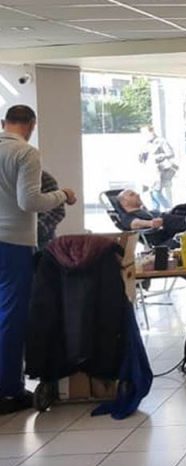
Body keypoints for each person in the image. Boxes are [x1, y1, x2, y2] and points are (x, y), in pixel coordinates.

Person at [0, 105, 77, 414]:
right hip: (13, 242)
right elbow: (29, 201)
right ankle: (9, 390)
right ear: (31, 125)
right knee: (12, 315)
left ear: (3, 123)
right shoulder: (25, 153)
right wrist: (63, 195)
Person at [115, 189, 186, 246]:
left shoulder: (146, 212)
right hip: (163, 241)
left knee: (179, 209)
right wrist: (150, 223)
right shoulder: (127, 217)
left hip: (173, 231)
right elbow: (135, 223)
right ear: (124, 202)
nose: (137, 195)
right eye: (132, 195)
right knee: (165, 218)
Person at [139, 125, 178, 210]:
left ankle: (169, 208)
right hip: (149, 170)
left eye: (145, 132)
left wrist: (160, 156)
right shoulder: (146, 143)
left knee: (156, 192)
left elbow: (170, 153)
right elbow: (142, 158)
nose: (144, 135)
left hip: (160, 170)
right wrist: (142, 155)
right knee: (151, 193)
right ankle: (156, 212)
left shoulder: (161, 141)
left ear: (151, 132)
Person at [36, 170, 66, 252]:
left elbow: (56, 211)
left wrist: (35, 231)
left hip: (42, 241)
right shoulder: (7, 178)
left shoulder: (43, 178)